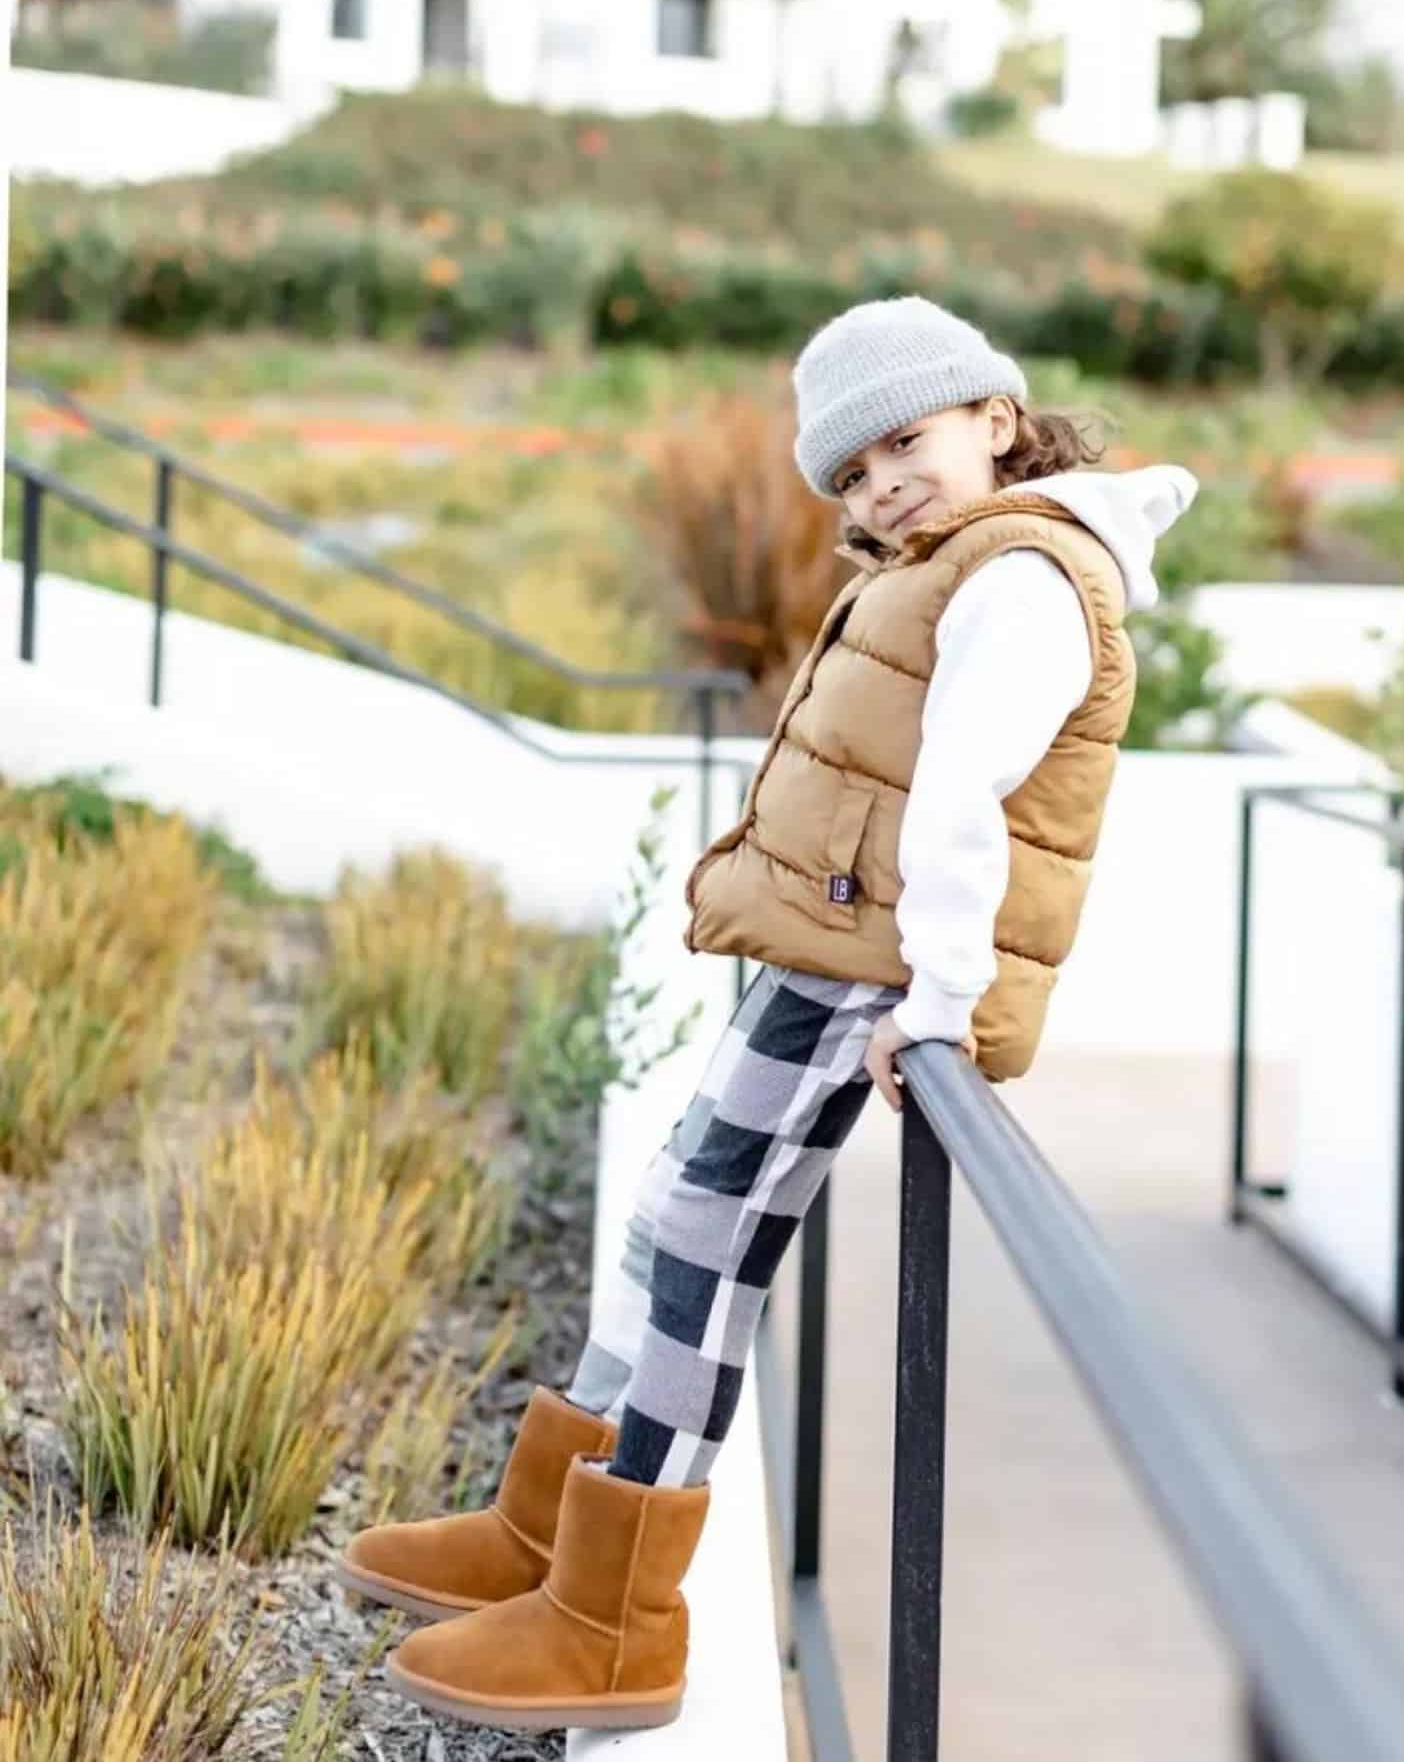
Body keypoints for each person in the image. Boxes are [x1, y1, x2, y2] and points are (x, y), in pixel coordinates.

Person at [338, 296, 1199, 1734]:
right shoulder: (961, 558)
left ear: (997, 416)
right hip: (830, 952)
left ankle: (615, 1620)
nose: (881, 487)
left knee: (705, 1257)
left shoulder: (1026, 578)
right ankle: (551, 1532)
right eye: (851, 474)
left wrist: (934, 1002)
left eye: (907, 443)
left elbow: (963, 804)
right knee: (672, 1215)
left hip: (868, 974)